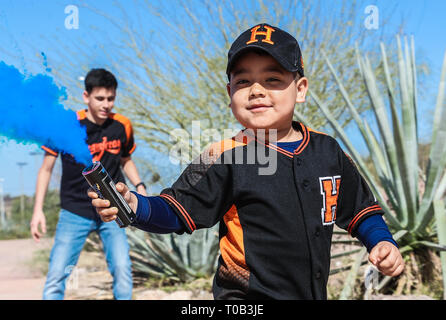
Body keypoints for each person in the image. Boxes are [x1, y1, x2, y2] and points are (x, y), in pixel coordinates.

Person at [88, 24, 404, 300]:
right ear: (230, 93)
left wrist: (381, 241)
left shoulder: (328, 151)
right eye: (243, 82)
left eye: (273, 78)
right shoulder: (222, 155)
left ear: (301, 89)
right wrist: (134, 205)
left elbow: (361, 210)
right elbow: (175, 211)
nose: (256, 91)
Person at [30, 68, 147, 300]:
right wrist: (37, 211)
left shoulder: (122, 125)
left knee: (123, 269)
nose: (106, 104)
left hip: (113, 210)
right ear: (86, 97)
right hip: (74, 211)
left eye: (111, 98)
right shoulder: (66, 126)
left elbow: (126, 160)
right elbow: (45, 170)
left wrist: (140, 185)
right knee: (57, 274)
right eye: (100, 98)